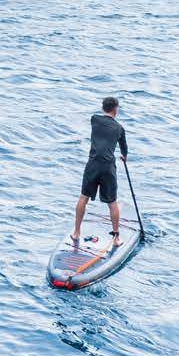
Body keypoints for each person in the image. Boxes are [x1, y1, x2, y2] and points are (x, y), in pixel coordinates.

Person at [71, 96, 129, 246]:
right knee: (112, 203)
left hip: (93, 165)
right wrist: (124, 156)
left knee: (83, 198)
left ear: (103, 108)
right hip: (108, 168)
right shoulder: (119, 128)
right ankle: (116, 239)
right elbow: (124, 150)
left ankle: (76, 233)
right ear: (116, 109)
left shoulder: (95, 119)